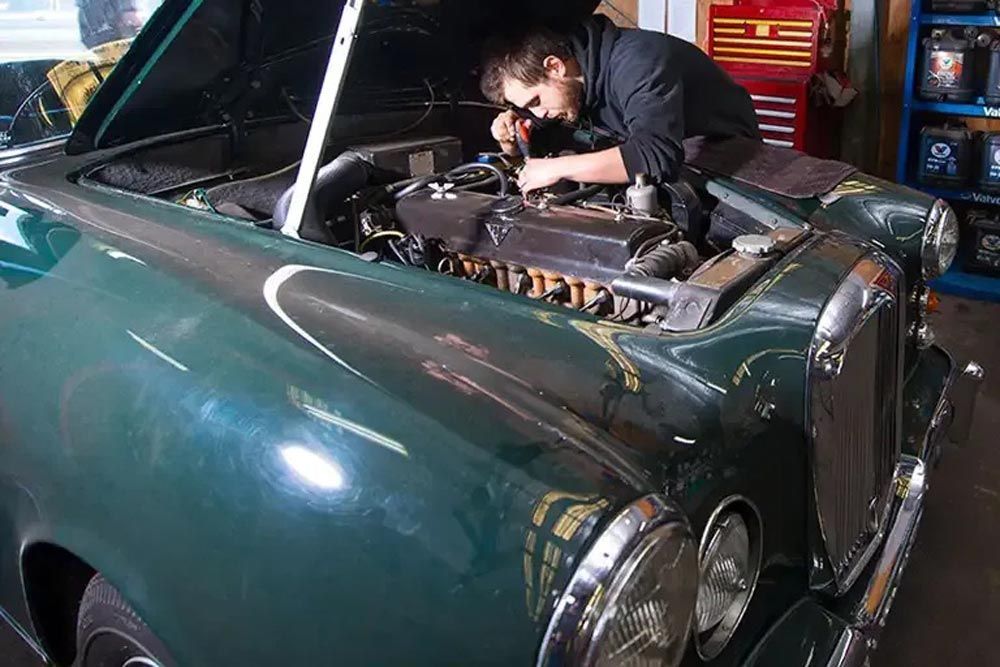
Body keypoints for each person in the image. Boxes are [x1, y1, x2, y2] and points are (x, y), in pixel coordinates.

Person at [480, 15, 761, 193]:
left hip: (732, 169)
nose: (537, 113)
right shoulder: (574, 80)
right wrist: (512, 137)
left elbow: (656, 156)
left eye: (535, 101)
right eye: (525, 107)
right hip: (680, 164)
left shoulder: (640, 62)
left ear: (554, 67)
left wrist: (557, 168)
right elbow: (541, 125)